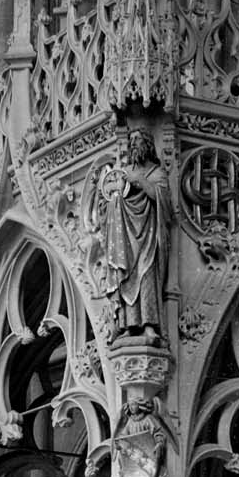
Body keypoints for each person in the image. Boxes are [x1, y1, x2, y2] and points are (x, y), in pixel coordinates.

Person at [82, 129, 171, 339]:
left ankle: (149, 325)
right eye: (131, 140)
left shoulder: (156, 173)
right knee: (126, 279)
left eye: (138, 139)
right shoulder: (124, 171)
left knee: (146, 276)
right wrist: (113, 196)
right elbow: (107, 197)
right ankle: (129, 326)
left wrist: (139, 182)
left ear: (148, 144)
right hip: (124, 237)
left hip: (147, 235)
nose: (133, 144)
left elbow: (165, 203)